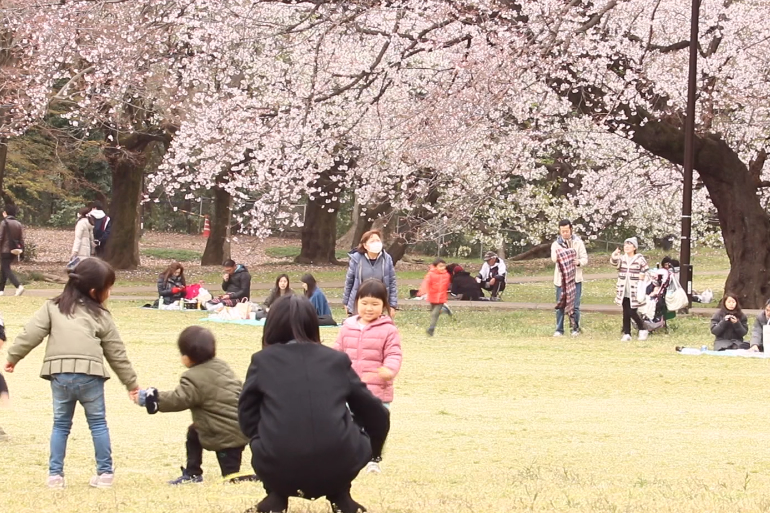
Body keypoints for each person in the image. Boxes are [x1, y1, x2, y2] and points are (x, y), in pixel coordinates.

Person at [238, 294, 390, 513]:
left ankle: (275, 494)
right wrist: (373, 453)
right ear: (312, 324)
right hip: (341, 463)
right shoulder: (336, 361)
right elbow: (377, 415)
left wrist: (266, 437)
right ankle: (341, 495)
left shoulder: (263, 361)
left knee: (268, 435)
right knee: (344, 430)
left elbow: (246, 417)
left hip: (277, 463)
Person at [4, 258, 140, 489]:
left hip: (60, 376)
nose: (110, 293)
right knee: (98, 424)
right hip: (91, 377)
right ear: (94, 291)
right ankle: (105, 473)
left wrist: (13, 357)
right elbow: (117, 353)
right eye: (109, 288)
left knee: (60, 425)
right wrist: (132, 384)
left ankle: (55, 476)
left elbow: (31, 333)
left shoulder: (52, 307)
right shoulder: (102, 316)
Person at [137, 326, 253, 484]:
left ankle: (240, 477)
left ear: (188, 357)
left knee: (231, 476)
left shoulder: (193, 377)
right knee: (194, 432)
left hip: (223, 433)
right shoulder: (221, 366)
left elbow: (179, 399)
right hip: (239, 426)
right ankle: (192, 472)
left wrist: (154, 399)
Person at [333, 278, 402, 474]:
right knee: (349, 426)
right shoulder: (348, 326)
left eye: (375, 304)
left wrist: (389, 370)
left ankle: (373, 459)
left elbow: (394, 354)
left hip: (376, 390)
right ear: (356, 303)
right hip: (350, 390)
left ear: (384, 305)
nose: (369, 308)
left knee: (375, 428)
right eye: (364, 303)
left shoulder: (389, 330)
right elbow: (337, 352)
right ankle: (349, 458)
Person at [342, 230, 398, 316]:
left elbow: (392, 282)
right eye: (372, 241)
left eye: (378, 240)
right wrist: (346, 303)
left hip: (379, 302)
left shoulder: (387, 259)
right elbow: (349, 282)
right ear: (365, 245)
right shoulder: (356, 259)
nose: (376, 243)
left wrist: (392, 305)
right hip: (359, 302)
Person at [551, 219, 588, 336]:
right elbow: (554, 258)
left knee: (575, 306)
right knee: (560, 305)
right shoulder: (556, 244)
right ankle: (559, 329)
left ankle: (575, 328)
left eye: (567, 231)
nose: (565, 233)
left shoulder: (578, 242)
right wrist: (565, 256)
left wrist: (578, 262)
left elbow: (585, 259)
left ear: (571, 229)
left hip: (575, 279)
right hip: (561, 280)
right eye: (562, 231)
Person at [611, 237, 649, 342]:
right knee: (625, 312)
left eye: (629, 244)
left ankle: (642, 328)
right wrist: (614, 256)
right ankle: (627, 333)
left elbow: (646, 269)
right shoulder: (622, 258)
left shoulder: (639, 259)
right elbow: (615, 264)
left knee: (632, 311)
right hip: (623, 289)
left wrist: (642, 275)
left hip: (634, 290)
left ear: (634, 247)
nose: (626, 247)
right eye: (625, 245)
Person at [419, 258, 451, 336]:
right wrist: (423, 292)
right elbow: (426, 283)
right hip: (432, 297)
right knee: (433, 312)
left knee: (434, 314)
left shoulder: (446, 275)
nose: (443, 268)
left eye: (444, 266)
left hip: (441, 298)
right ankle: (445, 310)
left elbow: (447, 286)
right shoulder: (431, 274)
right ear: (435, 266)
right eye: (440, 266)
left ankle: (431, 329)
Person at [0, 204, 24, 296]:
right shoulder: (18, 223)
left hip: (5, 249)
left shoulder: (4, 223)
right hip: (15, 249)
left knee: (6, 268)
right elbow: (21, 239)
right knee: (4, 269)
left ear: (5, 213)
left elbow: (0, 237)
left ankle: (18, 286)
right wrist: (22, 252)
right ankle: (1, 290)